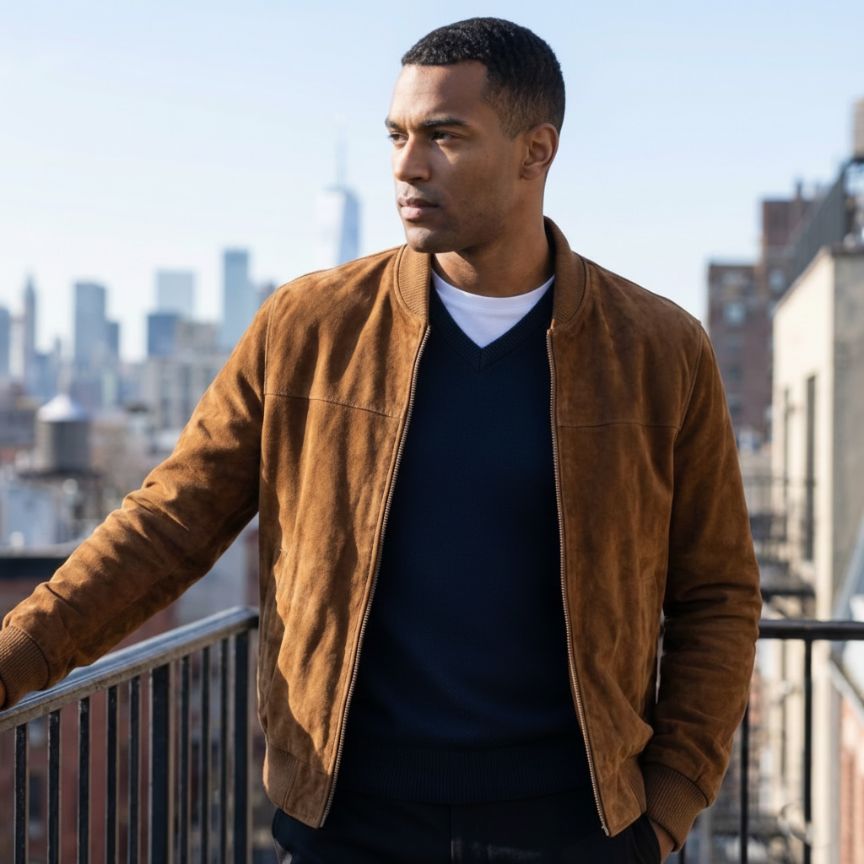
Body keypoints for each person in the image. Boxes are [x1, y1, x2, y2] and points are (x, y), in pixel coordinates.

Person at [0, 17, 761, 863]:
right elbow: (170, 522)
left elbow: (718, 594)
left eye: (444, 136)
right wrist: (16, 655)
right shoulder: (309, 328)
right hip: (351, 817)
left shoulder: (656, 349)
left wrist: (667, 807)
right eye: (397, 136)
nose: (407, 165)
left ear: (534, 152)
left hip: (573, 823)